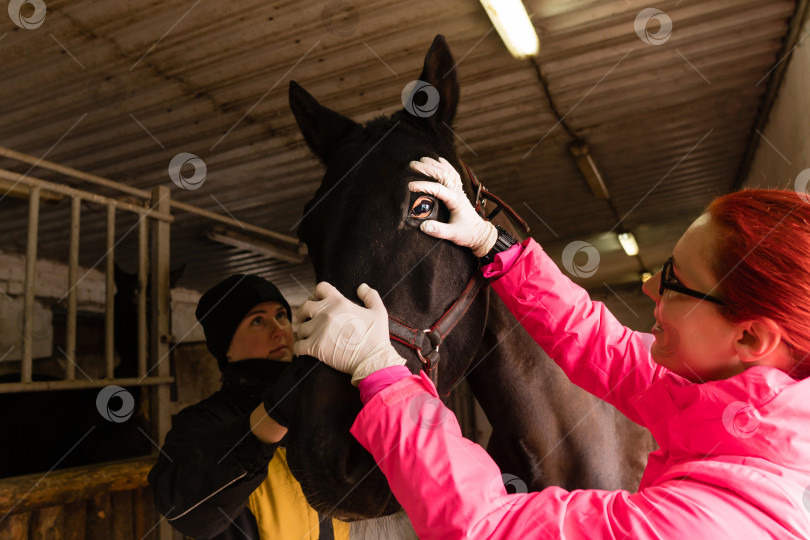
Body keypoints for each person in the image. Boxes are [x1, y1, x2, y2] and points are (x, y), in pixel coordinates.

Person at [294, 157, 810, 539]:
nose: (650, 286)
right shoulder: (749, 413)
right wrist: (495, 246)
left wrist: (382, 374)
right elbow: (602, 347)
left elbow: (485, 528)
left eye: (674, 281)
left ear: (750, 337)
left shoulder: (711, 525)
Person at [148, 274, 349, 540]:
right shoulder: (204, 420)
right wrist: (272, 415)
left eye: (281, 315)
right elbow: (182, 512)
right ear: (226, 349)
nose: (278, 329)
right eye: (257, 320)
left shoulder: (317, 406)